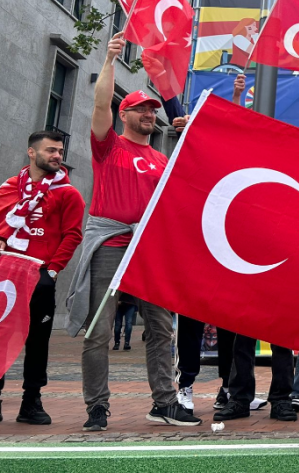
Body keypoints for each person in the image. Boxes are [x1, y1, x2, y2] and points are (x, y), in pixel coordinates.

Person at [64, 32, 201, 431]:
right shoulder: (108, 146)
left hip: (149, 249)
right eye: (141, 108)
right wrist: (108, 60)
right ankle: (97, 407)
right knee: (98, 330)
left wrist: (190, 132)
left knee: (161, 327)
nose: (148, 113)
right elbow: (100, 101)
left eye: (151, 109)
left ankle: (164, 402)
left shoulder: (160, 158)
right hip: (111, 243)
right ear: (123, 114)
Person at [0, 131, 84, 424]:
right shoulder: (9, 188)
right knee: (0, 337)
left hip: (41, 277)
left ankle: (31, 402)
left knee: (38, 341)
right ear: (31, 153)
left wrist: (52, 270)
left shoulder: (68, 193)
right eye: (50, 150)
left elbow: (72, 235)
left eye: (60, 151)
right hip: (6, 278)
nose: (57, 156)